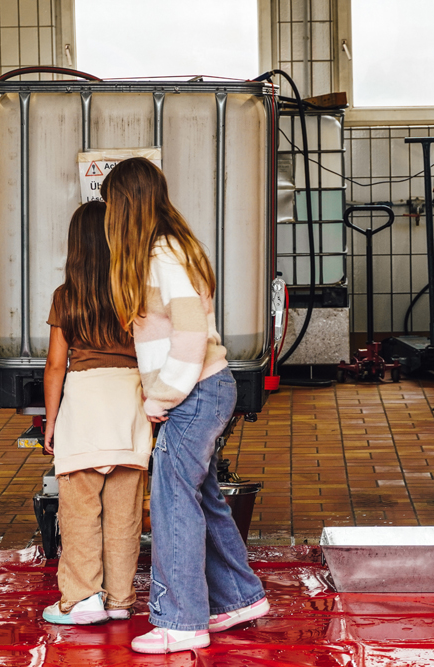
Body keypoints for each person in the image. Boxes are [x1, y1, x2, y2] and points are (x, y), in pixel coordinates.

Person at [102, 157, 269, 654]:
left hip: (195, 391)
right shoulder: (174, 248)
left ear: (125, 206)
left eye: (110, 204)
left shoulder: (162, 256)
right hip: (206, 388)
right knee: (202, 497)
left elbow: (191, 334)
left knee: (173, 502)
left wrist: (162, 395)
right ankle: (238, 598)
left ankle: (181, 622)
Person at [40, 201, 153, 625]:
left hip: (84, 405)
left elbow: (56, 365)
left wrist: (52, 421)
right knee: (125, 513)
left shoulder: (66, 296)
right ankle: (120, 600)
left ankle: (82, 598)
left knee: (80, 511)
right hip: (130, 402)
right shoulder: (135, 292)